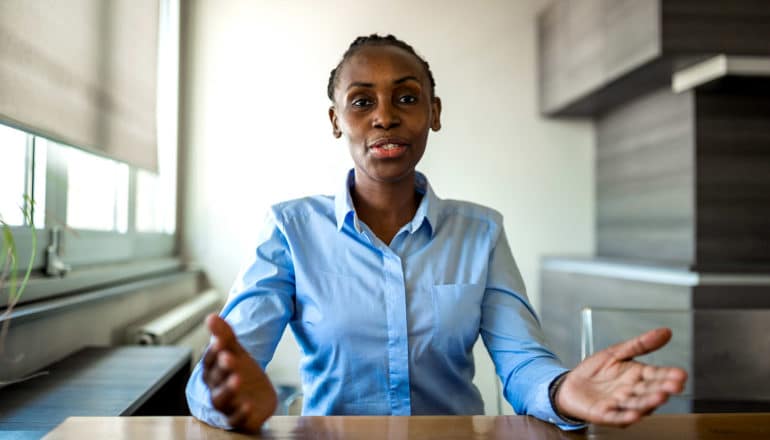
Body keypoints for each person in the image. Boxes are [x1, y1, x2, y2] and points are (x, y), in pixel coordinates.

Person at [185, 34, 687, 433]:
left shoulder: (481, 232)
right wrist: (228, 399)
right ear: (336, 121)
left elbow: (521, 363)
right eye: (362, 102)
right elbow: (225, 372)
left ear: (434, 113)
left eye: (407, 97)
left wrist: (562, 392)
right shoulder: (290, 231)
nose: (385, 116)